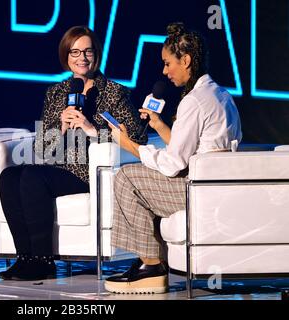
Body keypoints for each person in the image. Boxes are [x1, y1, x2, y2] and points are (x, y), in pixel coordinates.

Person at [0, 25, 146, 281]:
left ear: (96, 54)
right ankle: (25, 258)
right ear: (66, 57)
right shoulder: (56, 93)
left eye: (87, 51)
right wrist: (62, 128)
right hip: (58, 167)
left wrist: (91, 130)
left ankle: (44, 260)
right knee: (9, 176)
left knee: (33, 178)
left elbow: (137, 139)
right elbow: (42, 150)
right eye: (75, 52)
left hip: (90, 172)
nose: (82, 58)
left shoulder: (114, 92)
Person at [104, 22, 242, 294]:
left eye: (168, 63)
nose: (165, 71)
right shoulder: (220, 95)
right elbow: (191, 150)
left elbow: (172, 165)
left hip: (197, 191)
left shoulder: (194, 101)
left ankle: (151, 265)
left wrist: (127, 143)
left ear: (186, 60)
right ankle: (150, 261)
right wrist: (158, 125)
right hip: (213, 188)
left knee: (126, 177)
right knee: (137, 175)